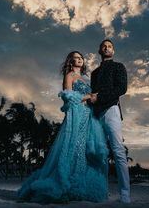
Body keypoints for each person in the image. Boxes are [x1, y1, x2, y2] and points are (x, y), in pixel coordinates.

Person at [17, 51, 108, 203]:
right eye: (75, 58)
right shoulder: (70, 76)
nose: (79, 60)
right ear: (70, 62)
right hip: (76, 115)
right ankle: (66, 181)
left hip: (88, 116)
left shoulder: (86, 79)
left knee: (84, 149)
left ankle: (79, 179)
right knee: (73, 146)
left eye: (80, 58)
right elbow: (68, 96)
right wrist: (87, 97)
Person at [90, 39, 130, 203]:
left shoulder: (118, 66)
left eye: (110, 46)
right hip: (96, 114)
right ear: (100, 51)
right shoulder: (94, 73)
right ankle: (101, 191)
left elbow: (122, 88)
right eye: (104, 46)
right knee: (99, 154)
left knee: (118, 151)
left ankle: (125, 195)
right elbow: (92, 94)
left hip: (112, 110)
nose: (106, 48)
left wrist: (100, 97)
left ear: (113, 51)